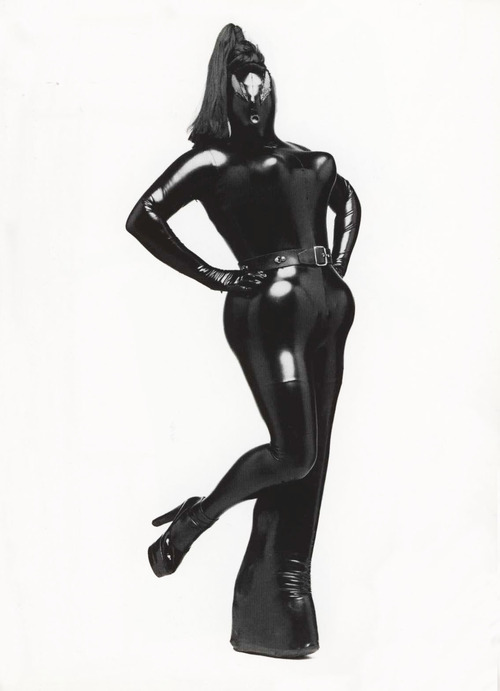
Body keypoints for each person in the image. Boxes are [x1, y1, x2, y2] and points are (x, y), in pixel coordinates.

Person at [125, 23, 361, 658]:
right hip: (270, 311)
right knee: (295, 454)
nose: (255, 97)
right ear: (223, 94)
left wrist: (337, 261)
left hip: (329, 308)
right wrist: (216, 274)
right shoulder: (213, 161)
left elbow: (346, 200)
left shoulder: (306, 158)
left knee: (311, 467)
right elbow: (144, 216)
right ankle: (194, 521)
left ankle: (281, 608)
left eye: (261, 84)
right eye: (242, 87)